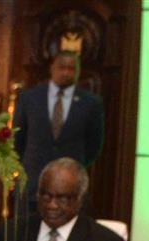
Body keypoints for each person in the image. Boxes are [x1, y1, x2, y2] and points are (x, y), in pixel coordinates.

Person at [11, 50, 105, 193]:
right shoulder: (30, 98)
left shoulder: (91, 103)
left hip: (70, 183)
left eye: (71, 69)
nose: (66, 73)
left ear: (79, 71)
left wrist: (74, 165)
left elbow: (94, 145)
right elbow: (18, 138)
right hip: (32, 181)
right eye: (62, 67)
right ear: (52, 68)